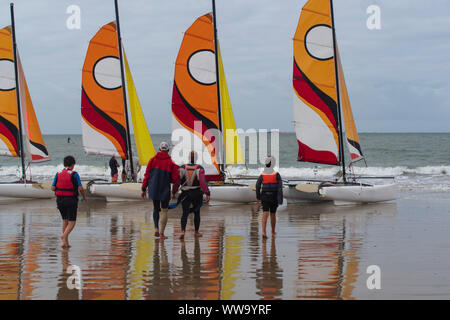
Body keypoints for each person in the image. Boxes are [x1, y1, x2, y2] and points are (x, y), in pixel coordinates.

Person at [141, 141, 179, 239]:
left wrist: (143, 189)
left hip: (153, 188)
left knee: (155, 208)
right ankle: (162, 234)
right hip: (164, 189)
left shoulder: (152, 160)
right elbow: (175, 179)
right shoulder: (171, 163)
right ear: (168, 150)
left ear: (159, 149)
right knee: (164, 210)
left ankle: (156, 229)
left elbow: (147, 176)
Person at [51, 155, 87, 248]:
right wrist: (84, 197)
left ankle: (65, 243)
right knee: (72, 222)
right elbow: (80, 188)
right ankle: (63, 236)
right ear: (73, 164)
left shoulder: (58, 173)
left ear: (64, 164)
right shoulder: (74, 174)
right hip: (71, 200)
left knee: (64, 220)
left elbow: (52, 188)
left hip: (59, 200)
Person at [178, 151, 210, 239]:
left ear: (189, 158)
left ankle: (182, 231)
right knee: (197, 212)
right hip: (197, 193)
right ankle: (196, 232)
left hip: (185, 193)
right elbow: (203, 182)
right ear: (196, 158)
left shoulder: (182, 167)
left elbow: (177, 181)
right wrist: (207, 193)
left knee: (185, 213)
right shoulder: (199, 168)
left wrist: (173, 192)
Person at [255, 156, 283, 238]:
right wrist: (280, 200)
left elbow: (257, 186)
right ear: (273, 165)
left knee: (265, 213)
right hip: (273, 196)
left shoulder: (262, 175)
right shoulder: (277, 175)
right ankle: (273, 231)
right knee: (273, 214)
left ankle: (263, 232)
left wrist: (258, 197)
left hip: (265, 196)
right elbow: (280, 188)